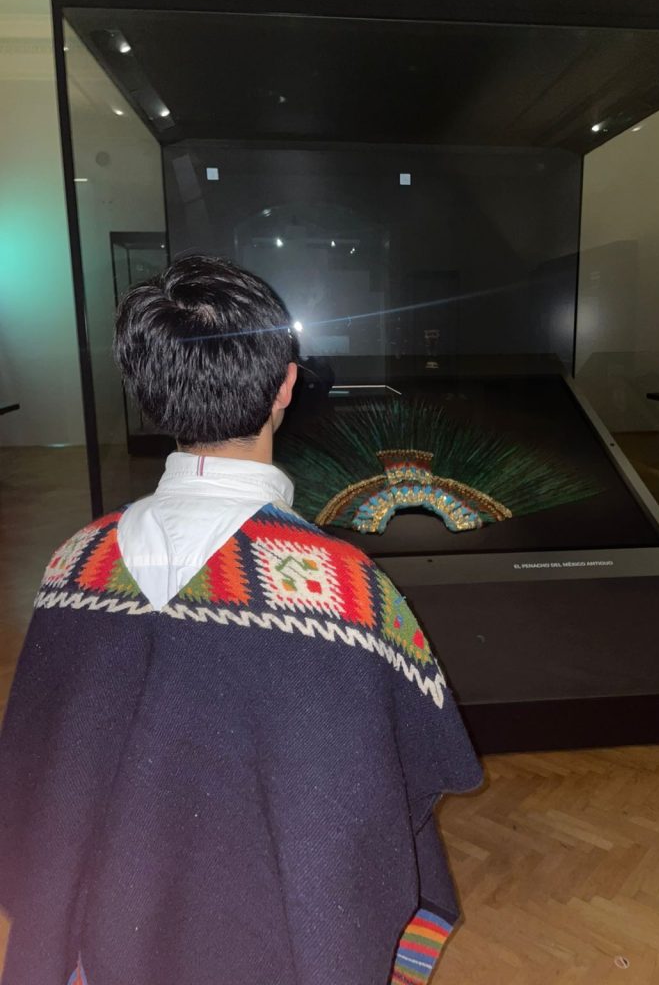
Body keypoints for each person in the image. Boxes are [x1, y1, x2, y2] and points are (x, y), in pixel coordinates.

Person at [0, 256, 482, 985]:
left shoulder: (73, 565)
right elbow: (406, 780)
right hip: (285, 942)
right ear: (286, 385)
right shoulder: (344, 589)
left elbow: (37, 771)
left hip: (100, 943)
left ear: (146, 391)